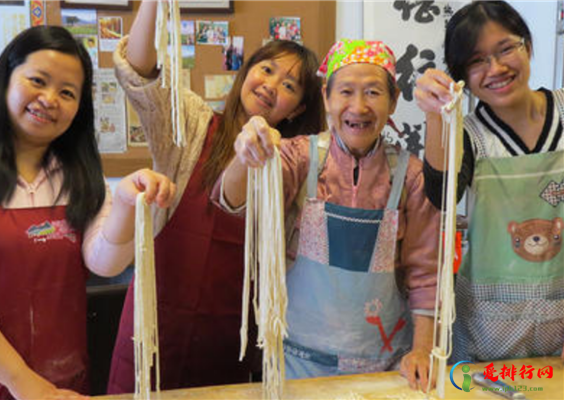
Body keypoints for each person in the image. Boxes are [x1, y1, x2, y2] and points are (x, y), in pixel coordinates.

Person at [107, 0, 325, 393]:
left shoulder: (294, 163)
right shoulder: (189, 123)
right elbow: (139, 72)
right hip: (154, 323)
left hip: (232, 334)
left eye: (289, 85)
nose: (271, 85)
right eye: (267, 69)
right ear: (246, 72)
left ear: (300, 108)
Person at [0, 25, 176, 400]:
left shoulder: (77, 175)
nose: (49, 99)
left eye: (67, 92)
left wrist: (127, 203)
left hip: (63, 387)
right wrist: (22, 382)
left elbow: (104, 263)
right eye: (37, 80)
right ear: (4, 79)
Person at [217, 39, 440, 391]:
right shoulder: (296, 158)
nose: (359, 106)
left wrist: (424, 350)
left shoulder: (411, 177)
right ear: (326, 97)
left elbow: (427, 275)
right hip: (298, 365)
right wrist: (245, 154)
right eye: (346, 91)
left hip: (384, 367)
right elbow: (232, 202)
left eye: (373, 92)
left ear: (394, 100)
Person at [414, 0, 564, 363]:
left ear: (527, 46)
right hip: (488, 328)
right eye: (477, 60)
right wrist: (437, 116)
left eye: (505, 49)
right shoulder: (469, 135)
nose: (495, 69)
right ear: (461, 73)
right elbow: (441, 196)